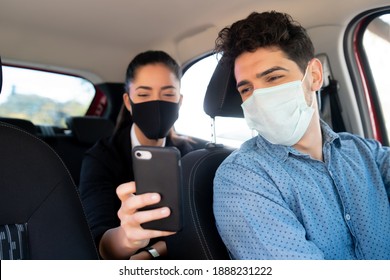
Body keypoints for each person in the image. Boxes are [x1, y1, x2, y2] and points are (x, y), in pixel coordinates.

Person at [213, 11, 390, 260]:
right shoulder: (243, 177)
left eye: (273, 77)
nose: (259, 99)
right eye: (246, 89)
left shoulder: (363, 152)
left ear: (314, 76)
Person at [79, 50, 194, 259]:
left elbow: (199, 224)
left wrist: (153, 253)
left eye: (168, 94)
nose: (156, 103)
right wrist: (127, 239)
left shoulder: (192, 156)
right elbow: (97, 236)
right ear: (128, 102)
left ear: (179, 101)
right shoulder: (101, 158)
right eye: (143, 94)